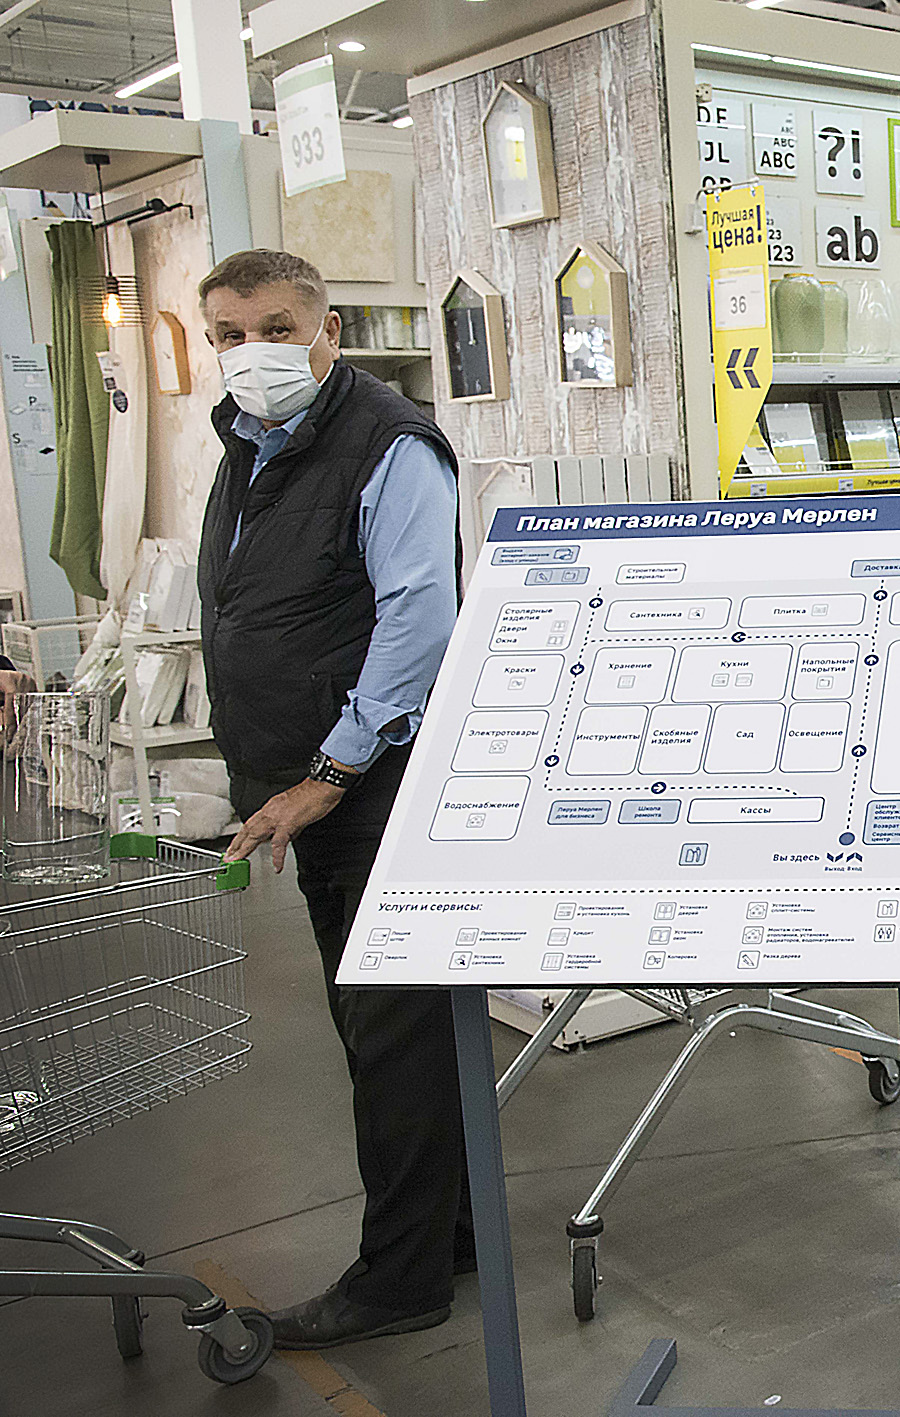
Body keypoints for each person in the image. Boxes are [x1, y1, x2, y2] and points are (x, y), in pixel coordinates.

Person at [195, 249, 471, 1351]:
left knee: (391, 1036)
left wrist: (329, 774)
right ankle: (447, 1234)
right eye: (228, 334)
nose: (251, 352)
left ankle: (399, 1280)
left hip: (372, 789)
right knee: (390, 1034)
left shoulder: (389, 443)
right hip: (310, 786)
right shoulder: (249, 443)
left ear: (328, 331)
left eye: (274, 328)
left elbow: (419, 619)